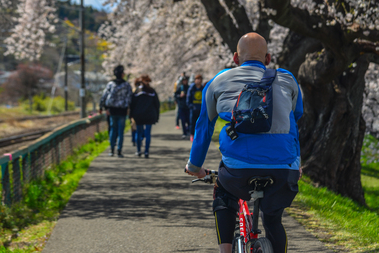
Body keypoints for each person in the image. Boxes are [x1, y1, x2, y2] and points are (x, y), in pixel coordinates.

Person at [185, 33, 303, 253]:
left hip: (238, 169)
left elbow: (204, 126)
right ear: (268, 58)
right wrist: (296, 163)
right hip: (283, 169)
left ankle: (225, 250)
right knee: (273, 219)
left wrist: (194, 166)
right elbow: (295, 120)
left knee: (224, 190)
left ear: (235, 59)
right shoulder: (287, 79)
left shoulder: (218, 81)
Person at [99, 65, 133, 158]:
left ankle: (111, 150)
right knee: (121, 131)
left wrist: (102, 107)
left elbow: (104, 95)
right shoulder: (126, 85)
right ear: (122, 74)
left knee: (113, 129)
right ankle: (119, 150)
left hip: (112, 110)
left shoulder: (110, 84)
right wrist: (129, 109)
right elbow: (130, 98)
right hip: (122, 110)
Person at [130, 75, 160, 158]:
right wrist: (156, 116)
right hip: (149, 115)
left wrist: (131, 115)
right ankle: (146, 151)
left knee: (139, 133)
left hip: (139, 115)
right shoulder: (152, 91)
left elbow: (132, 104)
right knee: (147, 134)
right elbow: (157, 104)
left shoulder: (136, 91)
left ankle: (139, 150)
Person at [186, 74, 203, 142]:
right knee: (192, 123)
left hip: (200, 109)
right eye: (197, 79)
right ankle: (192, 135)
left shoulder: (203, 88)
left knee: (200, 123)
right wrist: (190, 106)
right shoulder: (191, 88)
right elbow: (188, 98)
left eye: (200, 79)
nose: (198, 81)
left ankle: (199, 135)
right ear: (195, 80)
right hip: (193, 109)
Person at [130, 78, 142, 147]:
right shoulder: (142, 91)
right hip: (140, 112)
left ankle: (134, 140)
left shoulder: (133, 91)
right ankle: (138, 139)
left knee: (134, 126)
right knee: (138, 127)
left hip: (134, 112)